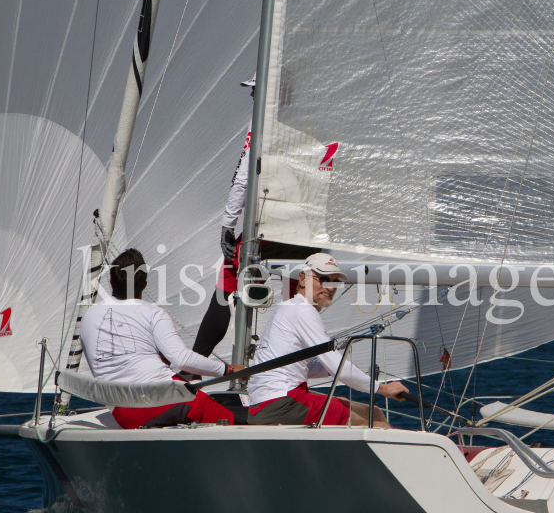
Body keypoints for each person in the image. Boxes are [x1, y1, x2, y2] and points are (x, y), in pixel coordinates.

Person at [191, 74, 317, 359]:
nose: (251, 97)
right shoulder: (306, 120)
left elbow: (243, 178)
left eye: (256, 91)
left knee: (227, 280)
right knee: (295, 296)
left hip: (270, 231)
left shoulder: (261, 123)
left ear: (271, 95)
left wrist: (227, 224)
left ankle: (193, 367)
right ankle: (291, 366)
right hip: (307, 233)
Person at [80, 248, 243, 429]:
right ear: (144, 285)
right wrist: (228, 370)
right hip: (160, 399)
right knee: (228, 419)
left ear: (111, 280)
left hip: (124, 414)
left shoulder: (88, 315)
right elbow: (181, 359)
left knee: (188, 391)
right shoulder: (153, 313)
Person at [246, 253, 407, 426]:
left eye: (334, 281)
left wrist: (335, 369)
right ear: (302, 279)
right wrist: (384, 388)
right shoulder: (304, 311)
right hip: (283, 404)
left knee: (342, 402)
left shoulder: (288, 308)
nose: (330, 288)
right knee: (374, 416)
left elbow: (300, 368)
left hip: (260, 407)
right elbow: (341, 370)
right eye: (323, 279)